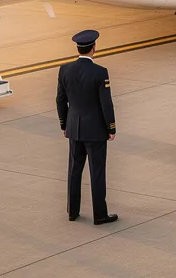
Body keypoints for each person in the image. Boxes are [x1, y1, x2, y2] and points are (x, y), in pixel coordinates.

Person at [56, 29, 118, 225]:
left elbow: (60, 100)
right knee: (97, 172)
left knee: (74, 170)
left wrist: (64, 124)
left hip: (74, 128)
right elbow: (105, 104)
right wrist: (111, 128)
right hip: (96, 131)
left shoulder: (64, 69)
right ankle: (100, 215)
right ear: (94, 48)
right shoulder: (100, 72)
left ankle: (72, 211)